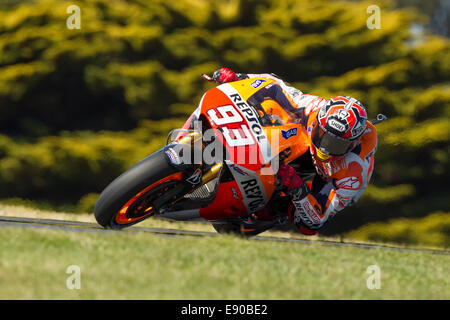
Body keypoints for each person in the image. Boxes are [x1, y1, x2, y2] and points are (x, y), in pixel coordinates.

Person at [211, 67, 378, 235]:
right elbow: (274, 84)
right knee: (272, 109)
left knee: (304, 224)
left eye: (337, 144)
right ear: (319, 121)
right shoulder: (312, 107)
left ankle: (273, 210)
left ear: (352, 144)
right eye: (323, 136)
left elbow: (316, 220)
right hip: (303, 141)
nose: (326, 148)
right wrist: (240, 77)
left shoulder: (353, 172)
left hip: (331, 175)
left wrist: (297, 188)